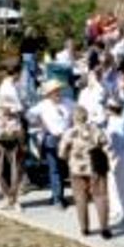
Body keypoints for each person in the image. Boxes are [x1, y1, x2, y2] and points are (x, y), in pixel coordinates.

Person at [58, 106, 113, 239]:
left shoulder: (69, 133)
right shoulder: (96, 130)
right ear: (86, 116)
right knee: (100, 197)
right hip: (95, 168)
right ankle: (104, 229)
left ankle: (84, 229)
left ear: (73, 118)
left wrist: (70, 159)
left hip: (77, 170)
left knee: (80, 198)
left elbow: (61, 153)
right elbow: (107, 144)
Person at [28, 80, 73, 208]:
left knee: (64, 169)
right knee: (55, 169)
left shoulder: (68, 102)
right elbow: (29, 115)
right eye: (54, 91)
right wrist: (40, 124)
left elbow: (79, 112)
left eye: (58, 90)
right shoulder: (43, 105)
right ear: (48, 94)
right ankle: (58, 198)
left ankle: (57, 195)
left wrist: (72, 126)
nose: (57, 93)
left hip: (66, 139)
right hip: (52, 139)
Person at [0, 93, 26, 212]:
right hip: (0, 147)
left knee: (15, 174)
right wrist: (1, 130)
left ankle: (14, 200)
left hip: (14, 147)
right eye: (5, 106)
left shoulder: (16, 117)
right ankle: (8, 198)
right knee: (0, 174)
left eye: (9, 106)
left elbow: (21, 134)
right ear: (0, 106)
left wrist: (18, 135)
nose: (7, 109)